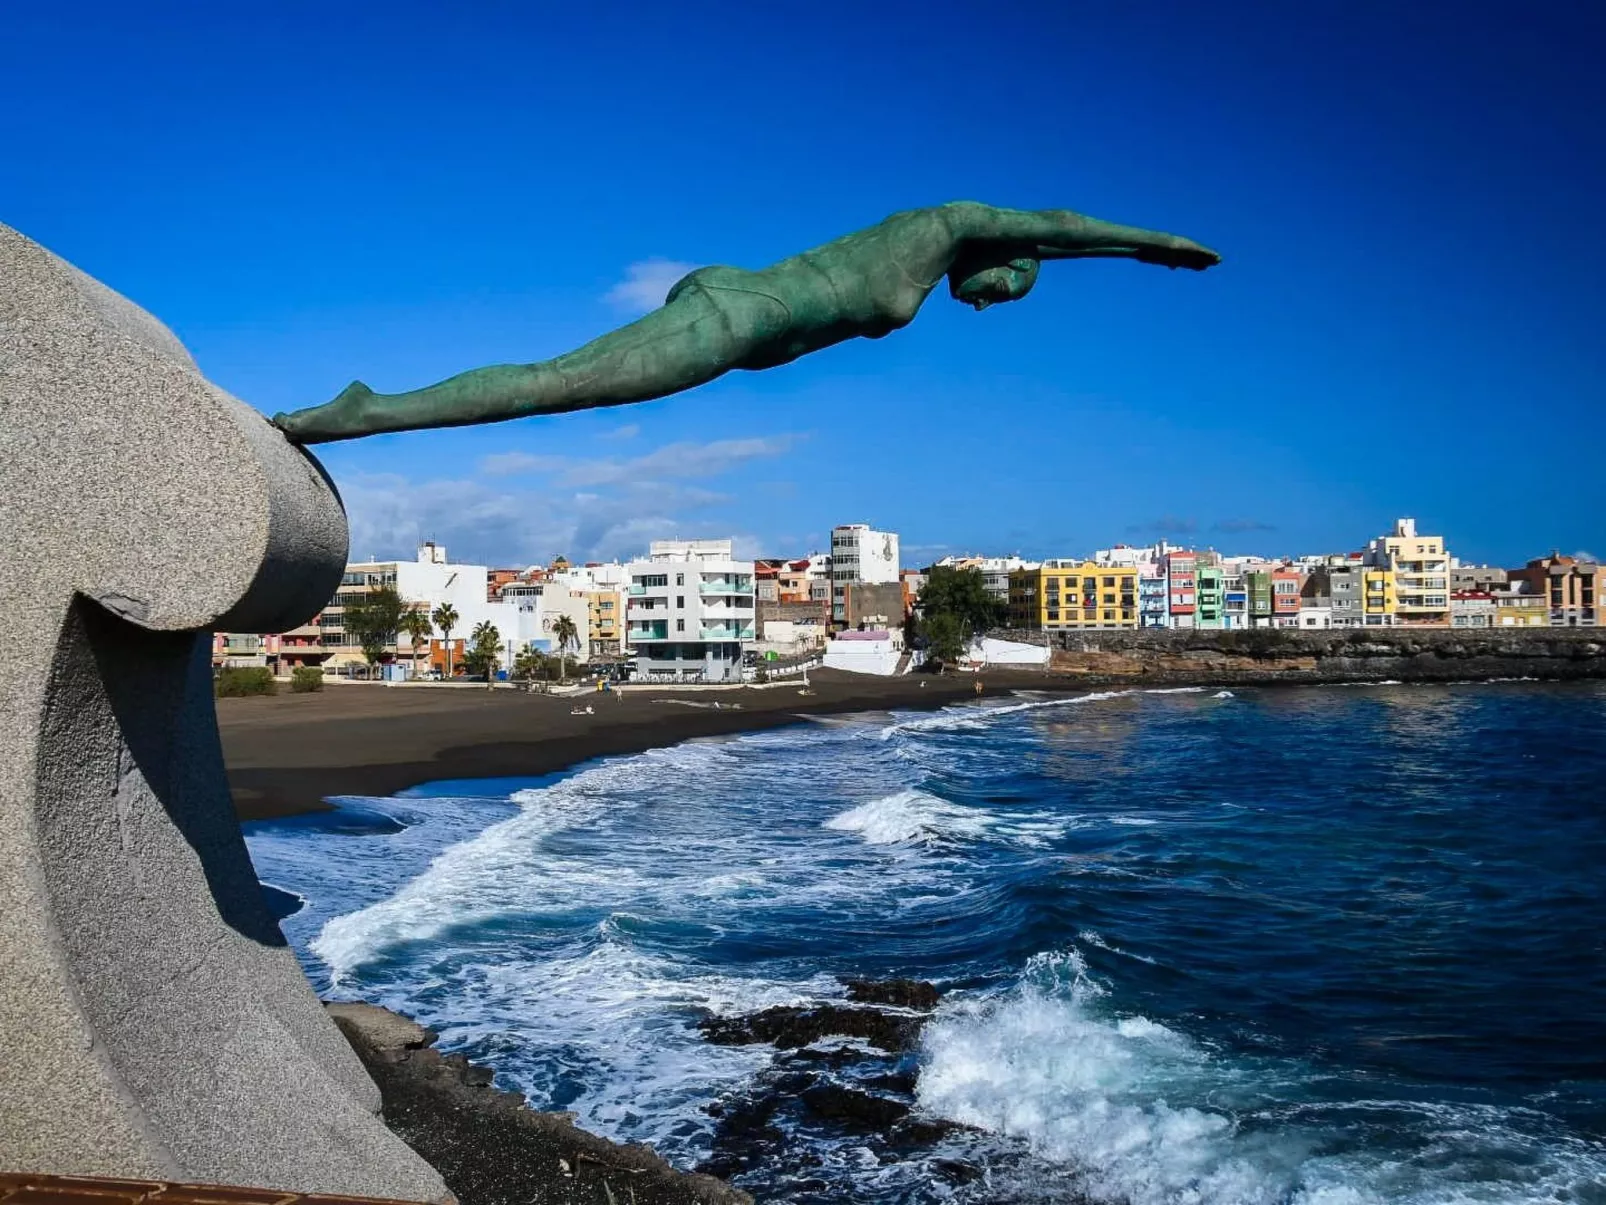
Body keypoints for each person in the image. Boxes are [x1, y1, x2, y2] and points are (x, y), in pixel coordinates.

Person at [273, 202, 1219, 443]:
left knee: (562, 388)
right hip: (733, 316)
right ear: (998, 258)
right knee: (556, 387)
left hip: (739, 321)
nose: (986, 309)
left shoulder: (928, 274)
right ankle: (369, 409)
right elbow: (1056, 228)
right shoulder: (935, 231)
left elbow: (1044, 245)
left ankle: (374, 410)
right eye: (1001, 294)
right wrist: (1148, 245)